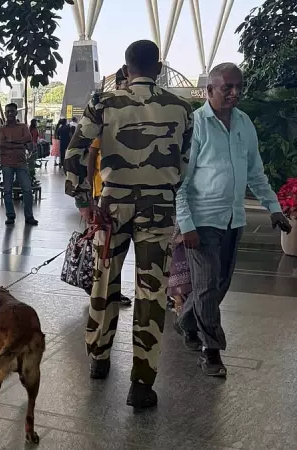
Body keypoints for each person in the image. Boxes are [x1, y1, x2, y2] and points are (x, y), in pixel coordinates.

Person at [64, 40, 193, 408]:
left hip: (112, 208)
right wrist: (163, 189)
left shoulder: (104, 102)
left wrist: (84, 202)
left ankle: (98, 358)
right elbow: (184, 164)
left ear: (126, 67)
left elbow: (74, 153)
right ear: (159, 68)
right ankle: (141, 383)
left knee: (104, 281)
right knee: (152, 292)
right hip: (158, 208)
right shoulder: (182, 108)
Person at [175, 63, 292, 377]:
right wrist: (186, 224)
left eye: (239, 86)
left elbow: (255, 172)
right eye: (227, 87)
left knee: (219, 284)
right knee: (207, 286)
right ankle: (211, 351)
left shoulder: (244, 123)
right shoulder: (196, 125)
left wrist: (274, 208)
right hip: (201, 220)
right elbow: (180, 180)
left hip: (233, 219)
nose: (235, 93)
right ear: (209, 90)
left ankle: (186, 320)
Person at [86, 68, 132, 307]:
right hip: (104, 191)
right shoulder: (107, 112)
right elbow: (91, 154)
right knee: (106, 247)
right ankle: (102, 290)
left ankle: (111, 290)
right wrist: (88, 193)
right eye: (124, 83)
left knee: (117, 247)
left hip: (128, 193)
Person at [0, 103, 38, 226]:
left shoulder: (23, 127)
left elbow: (28, 139)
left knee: (27, 190)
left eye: (12, 111)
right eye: (8, 111)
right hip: (7, 164)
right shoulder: (1, 129)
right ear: (5, 113)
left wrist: (11, 142)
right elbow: (2, 144)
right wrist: (20, 143)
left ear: (16, 113)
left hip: (21, 163)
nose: (10, 113)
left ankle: (29, 216)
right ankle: (10, 216)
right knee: (7, 191)